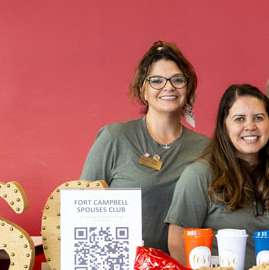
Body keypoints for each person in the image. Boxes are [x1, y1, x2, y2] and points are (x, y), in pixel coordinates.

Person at [80, 40, 208, 252]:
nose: (168, 87)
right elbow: (82, 209)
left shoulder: (205, 148)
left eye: (177, 80)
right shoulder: (114, 138)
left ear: (188, 88)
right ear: (143, 90)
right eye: (156, 81)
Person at [166, 84, 269, 267]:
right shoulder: (199, 175)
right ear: (224, 125)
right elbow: (177, 243)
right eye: (239, 119)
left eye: (259, 118)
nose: (250, 126)